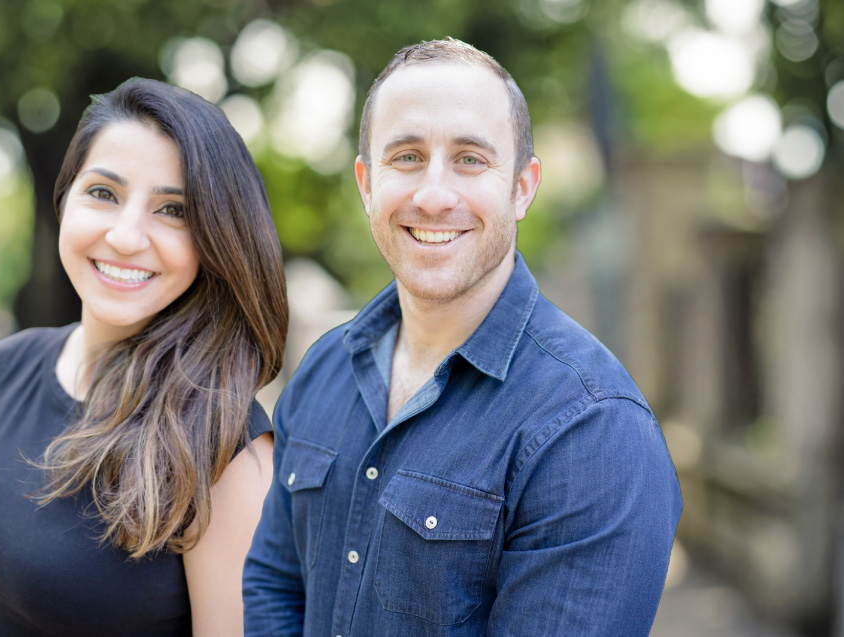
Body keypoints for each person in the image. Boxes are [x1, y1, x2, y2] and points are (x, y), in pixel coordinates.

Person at [243, 37, 682, 636]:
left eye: (470, 158)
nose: (433, 194)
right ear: (366, 183)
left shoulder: (594, 429)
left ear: (522, 187)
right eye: (406, 157)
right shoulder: (323, 370)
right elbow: (273, 586)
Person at [0, 78, 288, 636]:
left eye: (173, 210)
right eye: (103, 193)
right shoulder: (2, 367)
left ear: (216, 241)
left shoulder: (229, 450)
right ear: (64, 197)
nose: (127, 236)